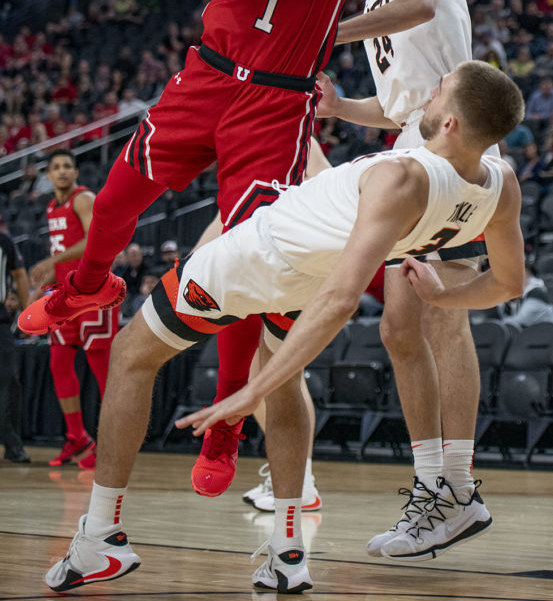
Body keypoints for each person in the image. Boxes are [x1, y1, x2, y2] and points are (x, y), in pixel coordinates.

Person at [20, 0, 464, 506]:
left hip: (278, 102)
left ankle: (226, 425)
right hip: (207, 78)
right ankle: (86, 284)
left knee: (238, 258)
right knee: (116, 197)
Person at [43, 62, 526, 593]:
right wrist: (444, 294)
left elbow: (345, 300)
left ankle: (100, 539)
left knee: (132, 351)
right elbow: (508, 284)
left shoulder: (403, 177)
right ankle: (287, 553)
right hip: (305, 279)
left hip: (252, 261)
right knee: (286, 376)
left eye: (437, 94)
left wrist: (249, 394)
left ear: (451, 122)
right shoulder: (501, 185)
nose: (426, 99)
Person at [315, 0, 500, 560]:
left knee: (440, 317)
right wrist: (340, 107)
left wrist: (322, 33)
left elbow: (422, 6)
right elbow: (397, 105)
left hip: (456, 152)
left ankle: (455, 489)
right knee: (397, 326)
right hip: (412, 151)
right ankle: (436, 489)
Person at [28, 150, 119, 469]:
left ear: (76, 172)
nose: (62, 171)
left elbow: (96, 238)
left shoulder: (83, 198)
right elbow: (63, 257)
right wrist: (40, 289)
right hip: (67, 293)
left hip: (94, 291)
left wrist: (52, 262)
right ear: (48, 175)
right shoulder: (53, 206)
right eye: (56, 167)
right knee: (58, 363)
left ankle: (111, 443)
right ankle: (77, 436)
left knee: (102, 370)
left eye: (67, 166)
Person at [0, 217, 30, 463]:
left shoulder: (5, 241)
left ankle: (12, 444)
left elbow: (20, 276)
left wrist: (28, 315)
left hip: (0, 322)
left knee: (10, 381)